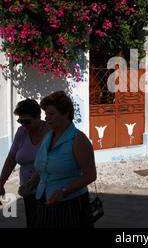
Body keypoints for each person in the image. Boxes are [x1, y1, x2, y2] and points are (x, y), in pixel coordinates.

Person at [20, 91, 97, 228]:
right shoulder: (48, 137)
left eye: (51, 114)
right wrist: (30, 184)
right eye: (46, 114)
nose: (47, 118)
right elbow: (43, 167)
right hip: (44, 201)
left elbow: (90, 175)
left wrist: (64, 191)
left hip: (70, 205)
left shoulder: (78, 139)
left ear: (65, 113)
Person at [0, 99, 50, 227]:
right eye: (20, 121)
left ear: (38, 116)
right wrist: (0, 185)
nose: (24, 124)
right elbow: (11, 160)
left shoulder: (50, 132)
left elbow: (45, 164)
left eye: (27, 121)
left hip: (48, 190)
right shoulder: (22, 132)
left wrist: (30, 184)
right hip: (28, 192)